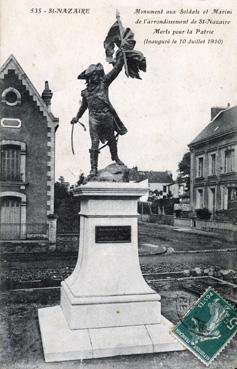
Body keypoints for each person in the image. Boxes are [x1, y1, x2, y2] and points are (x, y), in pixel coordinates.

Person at [71, 52, 128, 176]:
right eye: (93, 75)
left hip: (107, 116)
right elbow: (83, 106)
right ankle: (93, 168)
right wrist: (77, 117)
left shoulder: (104, 83)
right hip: (94, 118)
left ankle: (115, 157)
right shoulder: (86, 92)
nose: (96, 77)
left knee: (112, 139)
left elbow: (116, 71)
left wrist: (121, 59)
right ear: (90, 77)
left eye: (97, 74)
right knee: (94, 142)